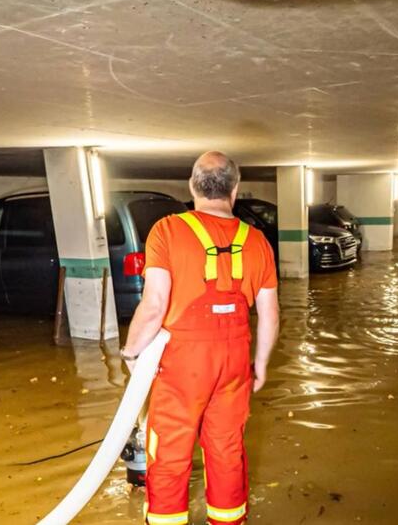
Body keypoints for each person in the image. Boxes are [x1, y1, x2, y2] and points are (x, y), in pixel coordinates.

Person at [120, 151, 280, 525]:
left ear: (192, 186)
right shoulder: (257, 240)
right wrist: (260, 365)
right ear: (234, 190)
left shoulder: (168, 230)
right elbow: (270, 314)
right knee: (226, 450)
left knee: (171, 453)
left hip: (182, 365)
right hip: (235, 361)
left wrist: (131, 353)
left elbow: (154, 305)